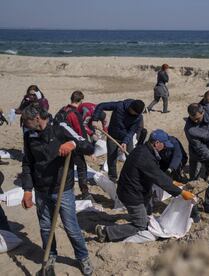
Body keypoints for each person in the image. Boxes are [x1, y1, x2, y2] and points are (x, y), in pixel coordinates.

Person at [20, 104, 94, 275]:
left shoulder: (60, 128)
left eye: (26, 121)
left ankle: (82, 257)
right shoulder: (28, 134)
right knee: (46, 227)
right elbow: (27, 163)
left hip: (63, 189)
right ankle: (50, 256)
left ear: (37, 118)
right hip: (41, 190)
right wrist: (27, 189)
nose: (24, 125)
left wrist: (73, 143)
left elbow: (88, 147)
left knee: (71, 227)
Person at [95, 132, 195, 242]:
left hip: (136, 189)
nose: (165, 147)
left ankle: (144, 217)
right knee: (140, 225)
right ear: (157, 143)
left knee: (148, 207)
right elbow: (158, 177)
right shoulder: (145, 157)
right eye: (164, 144)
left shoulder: (143, 150)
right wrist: (180, 192)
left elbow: (157, 173)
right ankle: (106, 232)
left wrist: (172, 182)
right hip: (131, 195)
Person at [91, 99, 145, 182]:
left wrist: (125, 142)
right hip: (112, 136)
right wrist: (95, 119)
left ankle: (132, 177)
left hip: (126, 138)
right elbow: (101, 105)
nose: (136, 115)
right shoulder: (119, 106)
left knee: (131, 157)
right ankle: (112, 177)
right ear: (131, 108)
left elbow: (131, 131)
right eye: (135, 113)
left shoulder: (138, 117)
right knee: (112, 158)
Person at [55, 91, 92, 199]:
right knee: (81, 168)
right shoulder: (74, 114)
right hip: (73, 144)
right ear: (81, 101)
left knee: (64, 168)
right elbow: (79, 132)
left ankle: (65, 190)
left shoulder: (62, 110)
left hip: (60, 143)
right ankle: (85, 192)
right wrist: (86, 147)